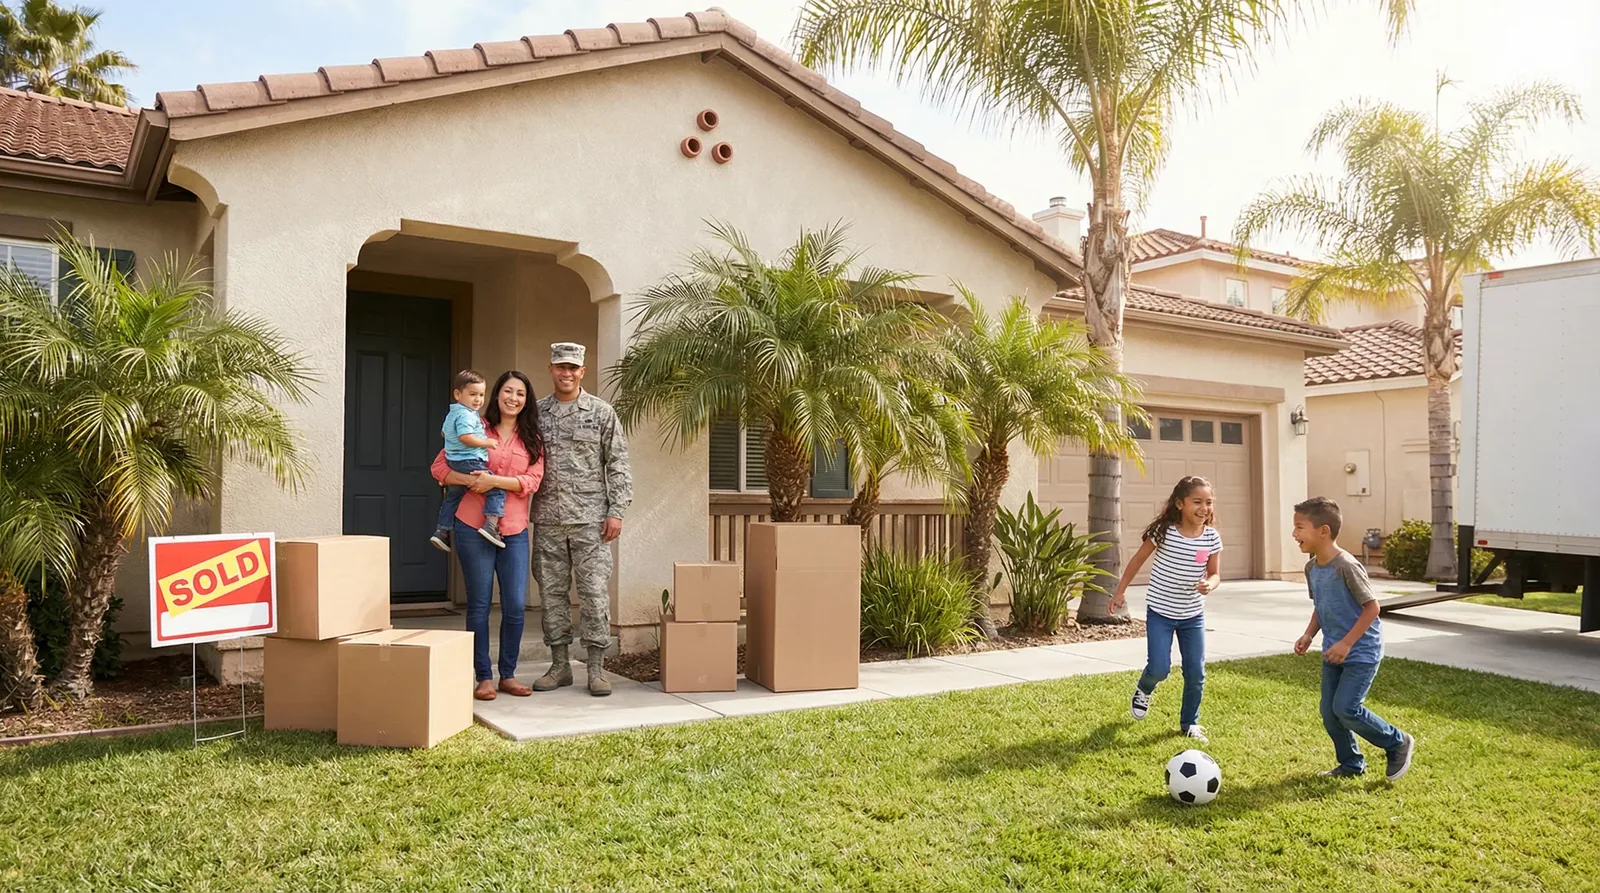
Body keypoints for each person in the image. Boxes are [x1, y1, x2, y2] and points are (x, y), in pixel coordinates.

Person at [429, 370, 545, 701]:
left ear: (526, 400)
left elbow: (532, 481)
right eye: (508, 391)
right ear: (496, 395)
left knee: (515, 606)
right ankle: (484, 677)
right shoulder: (474, 426)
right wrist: (469, 482)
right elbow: (439, 467)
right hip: (471, 525)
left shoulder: (533, 439)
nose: (513, 398)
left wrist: (493, 482)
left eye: (520, 393)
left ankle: (508, 674)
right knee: (479, 604)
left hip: (515, 529)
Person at [530, 342, 632, 697]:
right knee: (552, 593)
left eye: (573, 367)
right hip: (547, 519)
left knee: (593, 594)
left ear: (582, 371)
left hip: (591, 521)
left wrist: (616, 510)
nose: (566, 373)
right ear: (551, 368)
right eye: (561, 366)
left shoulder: (602, 413)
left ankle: (596, 668)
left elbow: (617, 464)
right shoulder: (537, 413)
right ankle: (559, 666)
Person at [1292, 496, 1416, 780]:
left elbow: (1372, 607)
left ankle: (1397, 742)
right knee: (1329, 712)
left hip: (1360, 652)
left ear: (1323, 531)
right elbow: (1321, 606)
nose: (1294, 534)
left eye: (1300, 527)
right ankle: (1351, 764)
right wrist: (1309, 634)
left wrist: (1347, 643)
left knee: (1346, 708)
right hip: (1333, 652)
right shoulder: (1312, 568)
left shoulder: (1346, 565)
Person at [1109, 475, 1222, 743]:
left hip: (1192, 615)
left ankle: (1189, 723)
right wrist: (1120, 591)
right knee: (1159, 668)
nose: (1204, 508)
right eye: (1197, 502)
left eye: (1208, 502)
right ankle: (1144, 689)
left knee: (1196, 672)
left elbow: (1216, 573)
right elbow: (1137, 560)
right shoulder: (1165, 532)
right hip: (1160, 612)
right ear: (1180, 504)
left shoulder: (1211, 538)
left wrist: (1210, 583)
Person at [430, 370, 506, 551]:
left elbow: (444, 433)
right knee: (496, 489)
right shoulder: (467, 415)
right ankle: (491, 525)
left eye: (481, 394)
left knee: (453, 497)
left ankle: (442, 531)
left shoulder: (453, 413)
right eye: (472, 394)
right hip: (470, 460)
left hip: (454, 460)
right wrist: (486, 441)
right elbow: (465, 437)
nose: (478, 399)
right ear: (458, 394)